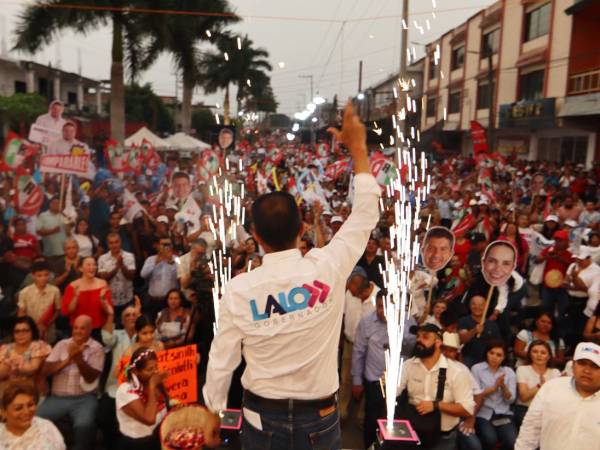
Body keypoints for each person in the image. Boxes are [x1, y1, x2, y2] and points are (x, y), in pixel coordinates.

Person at [201, 103, 380, 448]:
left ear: (255, 236)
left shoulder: (239, 290)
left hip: (260, 418)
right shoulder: (329, 266)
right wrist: (359, 151)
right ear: (302, 228)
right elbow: (365, 214)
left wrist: (214, 412)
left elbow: (222, 360)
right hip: (322, 420)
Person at [397, 323, 475, 450]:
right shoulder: (408, 365)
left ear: (438, 342)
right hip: (412, 434)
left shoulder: (457, 371)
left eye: (425, 337)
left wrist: (436, 405)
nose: (419, 340)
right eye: (418, 337)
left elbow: (467, 409)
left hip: (442, 438)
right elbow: (394, 392)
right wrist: (387, 386)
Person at [515, 341, 600, 450]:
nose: (587, 370)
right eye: (582, 363)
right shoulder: (551, 388)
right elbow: (530, 431)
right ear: (573, 365)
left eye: (595, 366)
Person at [37, 315, 104, 450]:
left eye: (82, 328)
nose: (78, 331)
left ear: (90, 330)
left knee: (84, 425)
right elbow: (45, 370)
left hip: (84, 398)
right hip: (58, 397)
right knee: (37, 418)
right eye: (75, 328)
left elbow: (91, 378)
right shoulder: (62, 344)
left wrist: (79, 360)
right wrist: (67, 360)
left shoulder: (97, 348)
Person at [99, 301, 141, 448]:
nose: (131, 317)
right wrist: (110, 314)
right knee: (105, 418)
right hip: (115, 388)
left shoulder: (146, 335)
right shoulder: (116, 334)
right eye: (127, 315)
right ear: (122, 320)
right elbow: (106, 339)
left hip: (139, 389)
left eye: (134, 314)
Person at [351, 291, 388, 447]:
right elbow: (358, 351)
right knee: (372, 419)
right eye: (379, 306)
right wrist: (357, 381)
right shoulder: (366, 321)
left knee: (392, 421)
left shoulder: (406, 321)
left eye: (386, 307)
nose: (382, 311)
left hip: (398, 382)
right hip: (374, 379)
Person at [115, 347, 169, 450]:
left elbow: (165, 402)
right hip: (138, 444)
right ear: (135, 371)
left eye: (156, 367)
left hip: (158, 437)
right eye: (149, 369)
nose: (155, 372)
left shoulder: (153, 382)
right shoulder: (125, 391)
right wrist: (152, 386)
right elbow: (149, 419)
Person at [471, 340, 517, 450]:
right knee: (490, 439)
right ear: (486, 353)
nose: (494, 357)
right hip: (483, 413)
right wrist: (494, 388)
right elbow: (474, 395)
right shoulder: (477, 369)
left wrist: (503, 387)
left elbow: (511, 400)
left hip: (503, 413)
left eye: (499, 355)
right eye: (491, 353)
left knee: (512, 441)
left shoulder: (509, 372)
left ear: (504, 357)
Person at [0, 381, 66, 450]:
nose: (26, 412)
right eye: (18, 408)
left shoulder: (47, 428)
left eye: (30, 405)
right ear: (4, 412)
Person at [61, 256, 113, 340]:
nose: (92, 267)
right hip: (78, 330)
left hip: (98, 328)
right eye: (88, 265)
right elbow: (67, 311)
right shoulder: (72, 286)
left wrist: (103, 300)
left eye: (94, 265)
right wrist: (75, 297)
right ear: (81, 268)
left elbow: (109, 311)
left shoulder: (103, 284)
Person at [515, 340, 560, 428]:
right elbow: (523, 397)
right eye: (535, 352)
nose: (539, 355)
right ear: (530, 354)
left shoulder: (555, 372)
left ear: (549, 356)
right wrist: (540, 386)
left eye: (543, 353)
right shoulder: (522, 369)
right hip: (526, 409)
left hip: (548, 409)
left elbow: (556, 398)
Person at [0, 317, 51, 395]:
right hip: (8, 393)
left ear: (32, 332)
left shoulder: (38, 345)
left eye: (25, 331)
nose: (21, 334)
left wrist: (16, 370)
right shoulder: (6, 348)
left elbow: (33, 368)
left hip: (32, 392)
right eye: (17, 331)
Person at [17, 259, 61, 341]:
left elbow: (58, 310)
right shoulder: (25, 292)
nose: (43, 278)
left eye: (46, 275)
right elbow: (21, 313)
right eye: (39, 275)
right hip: (31, 330)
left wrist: (48, 323)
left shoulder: (55, 291)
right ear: (33, 276)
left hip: (48, 330)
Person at [98, 232, 136, 325]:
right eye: (111, 243)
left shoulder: (129, 256)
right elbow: (104, 278)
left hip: (127, 299)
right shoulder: (102, 258)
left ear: (120, 242)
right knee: (113, 327)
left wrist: (122, 265)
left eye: (116, 242)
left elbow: (131, 276)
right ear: (108, 244)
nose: (114, 245)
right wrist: (117, 267)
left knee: (129, 326)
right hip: (110, 301)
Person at [140, 237, 179, 321]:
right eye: (163, 244)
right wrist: (156, 262)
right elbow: (143, 275)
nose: (166, 247)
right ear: (158, 246)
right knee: (151, 324)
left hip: (170, 302)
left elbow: (180, 277)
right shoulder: (151, 259)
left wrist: (171, 261)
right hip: (153, 301)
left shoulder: (177, 259)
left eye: (168, 244)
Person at [458, 295, 501, 368]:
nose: (477, 307)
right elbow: (462, 339)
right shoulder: (463, 321)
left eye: (480, 305)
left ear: (485, 306)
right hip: (468, 358)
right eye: (474, 304)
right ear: (470, 306)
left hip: (487, 360)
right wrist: (474, 330)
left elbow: (497, 345)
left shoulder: (492, 325)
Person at [36, 197, 67, 266]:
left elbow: (72, 224)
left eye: (58, 203)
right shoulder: (43, 216)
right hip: (50, 253)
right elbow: (38, 231)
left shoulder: (63, 215)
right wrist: (52, 231)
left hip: (64, 251)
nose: (56, 205)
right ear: (50, 204)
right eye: (54, 203)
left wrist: (63, 213)